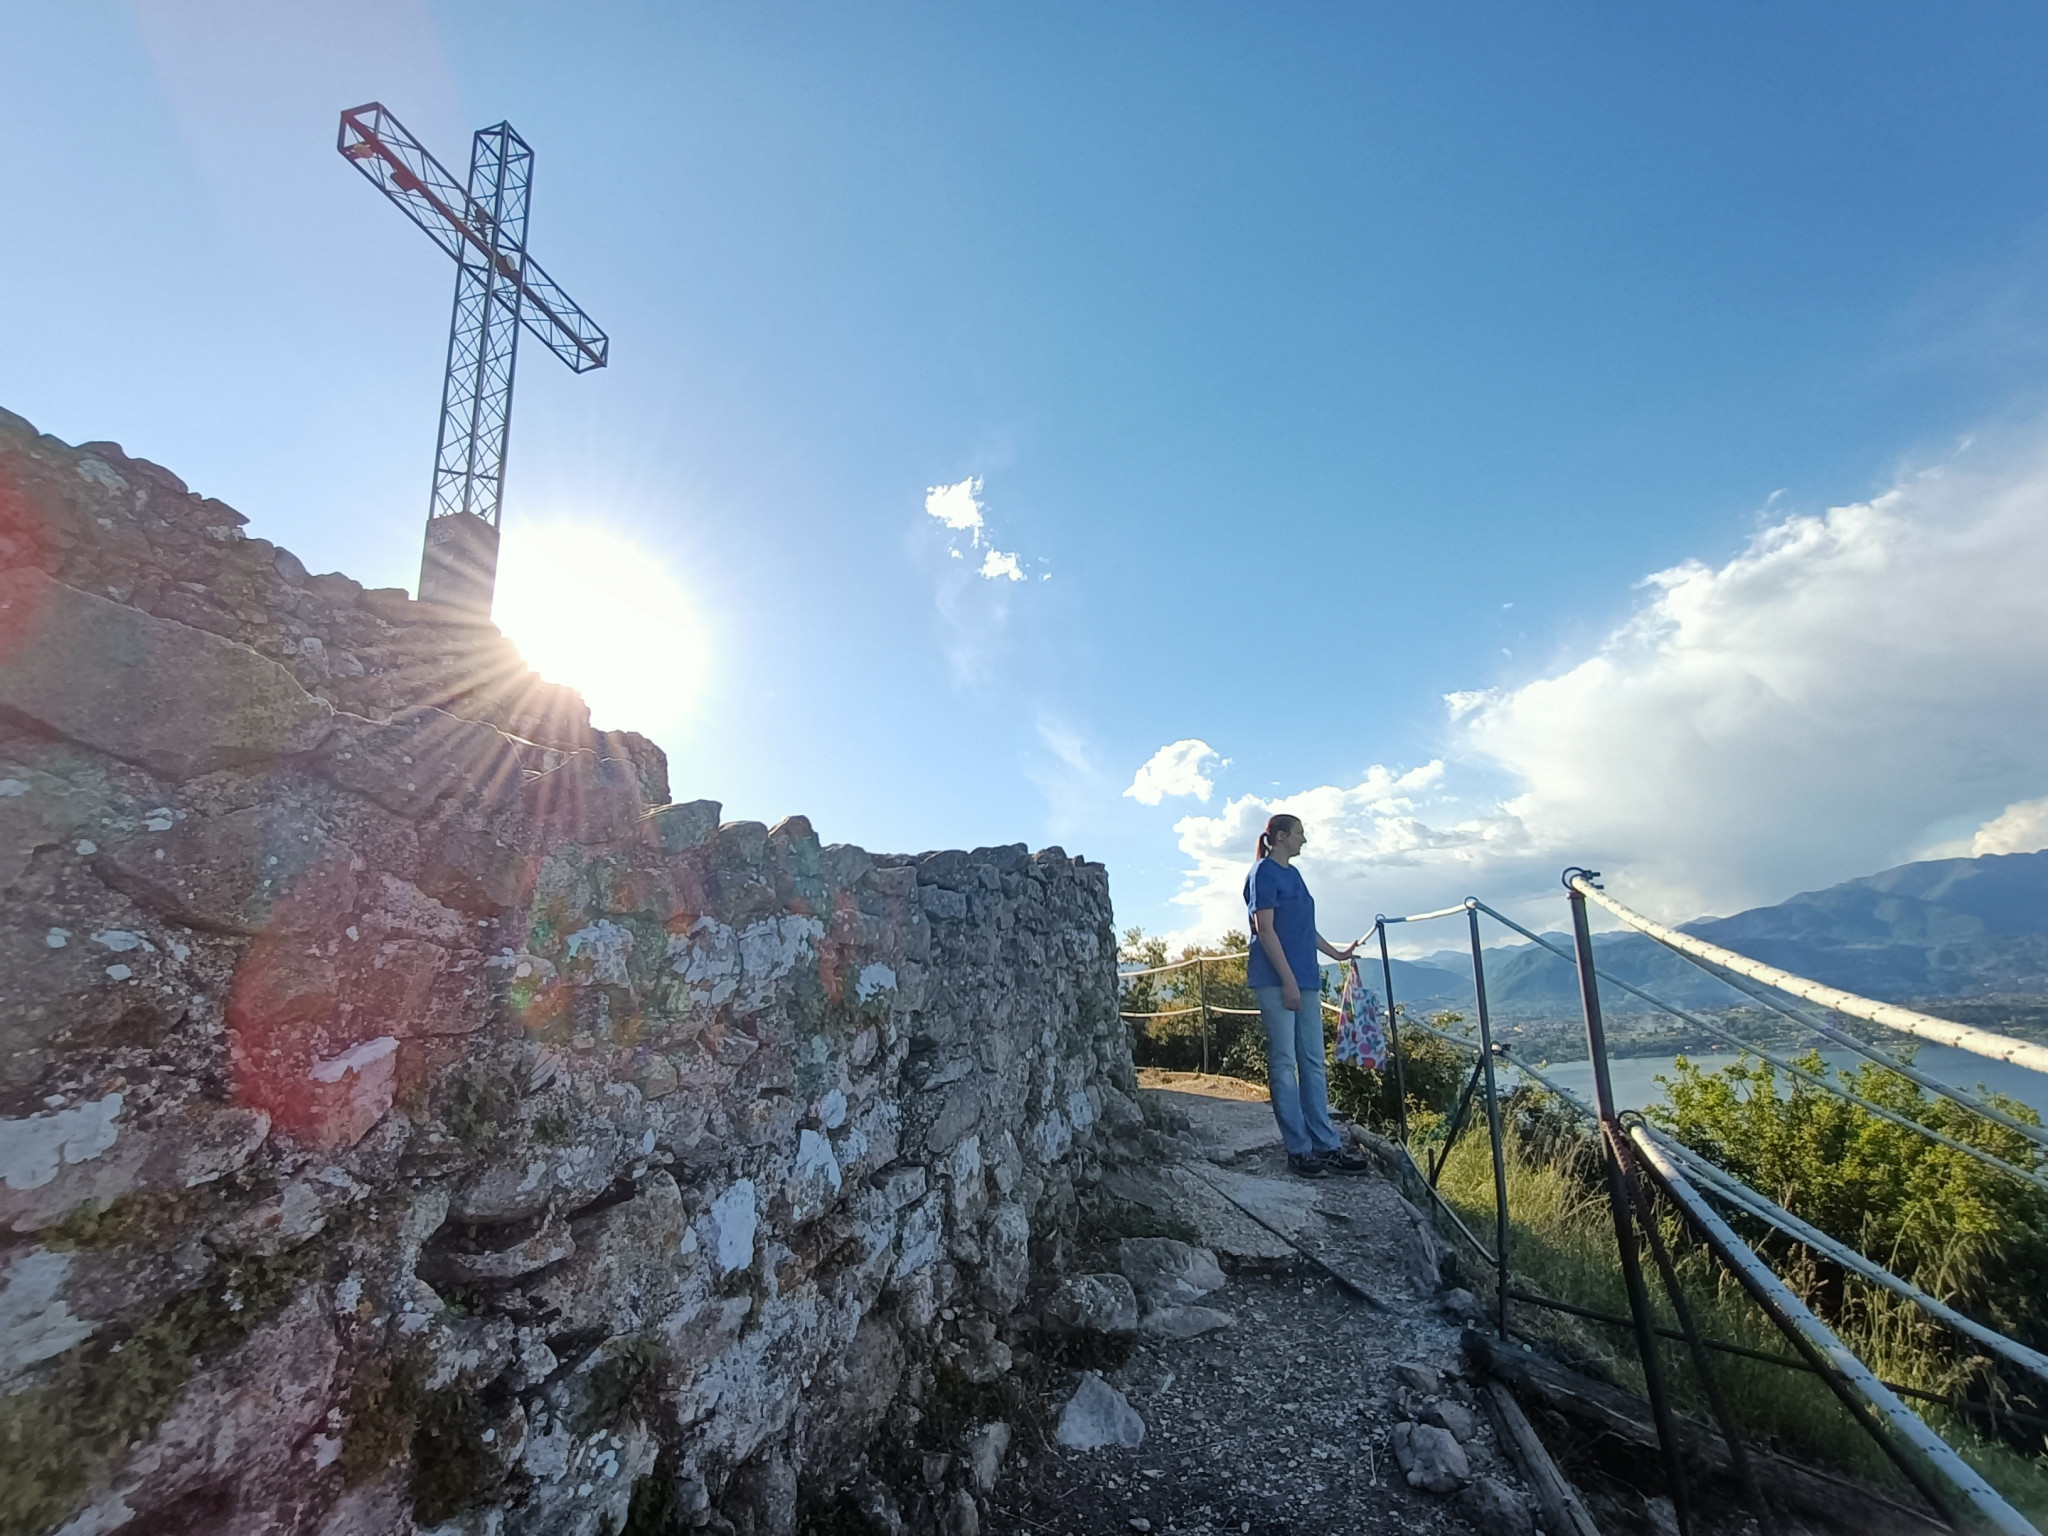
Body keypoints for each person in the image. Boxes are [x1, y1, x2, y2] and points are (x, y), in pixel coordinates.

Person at [1244, 813, 1373, 1178]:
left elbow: (1303, 929)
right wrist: (1287, 981)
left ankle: (1326, 1145)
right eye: (1300, 833)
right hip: (1277, 980)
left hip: (1305, 977)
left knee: (1313, 1062)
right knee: (1285, 1065)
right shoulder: (1263, 874)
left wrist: (1336, 955)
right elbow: (1265, 930)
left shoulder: (1293, 875)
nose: (1305, 839)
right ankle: (1298, 1149)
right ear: (1281, 836)